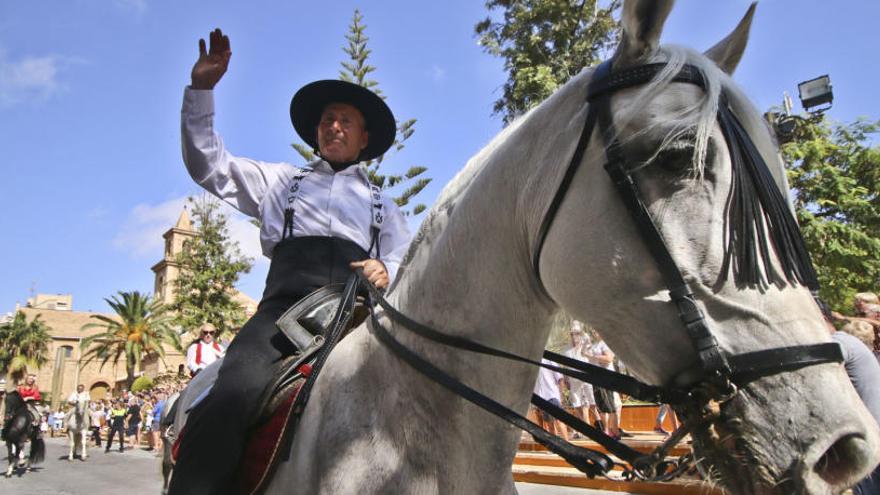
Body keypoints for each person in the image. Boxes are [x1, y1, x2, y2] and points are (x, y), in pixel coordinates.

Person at [169, 28, 411, 495]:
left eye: (345, 121)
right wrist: (202, 89)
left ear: (364, 138)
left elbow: (403, 260)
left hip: (357, 317)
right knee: (230, 396)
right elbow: (208, 166)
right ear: (317, 131)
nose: (334, 126)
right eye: (327, 119)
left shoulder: (387, 208)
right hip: (280, 321)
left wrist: (389, 271)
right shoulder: (279, 182)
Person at [562, 322, 600, 436]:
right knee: (577, 403)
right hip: (574, 380)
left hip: (586, 378)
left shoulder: (586, 346)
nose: (575, 336)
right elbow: (565, 366)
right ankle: (583, 428)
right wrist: (566, 379)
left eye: (577, 333)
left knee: (591, 403)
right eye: (573, 334)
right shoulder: (566, 350)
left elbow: (593, 359)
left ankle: (598, 425)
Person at [585, 337, 622, 439]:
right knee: (602, 408)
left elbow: (608, 359)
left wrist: (592, 356)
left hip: (605, 379)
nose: (594, 331)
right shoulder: (593, 345)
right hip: (596, 379)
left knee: (611, 407)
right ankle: (606, 431)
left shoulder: (604, 344)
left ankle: (615, 431)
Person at [533, 358, 569, 441]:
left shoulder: (550, 360)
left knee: (559, 421)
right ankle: (557, 445)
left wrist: (561, 395)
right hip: (541, 398)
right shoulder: (533, 362)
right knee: (550, 423)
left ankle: (567, 443)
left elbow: (560, 378)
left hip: (552, 395)